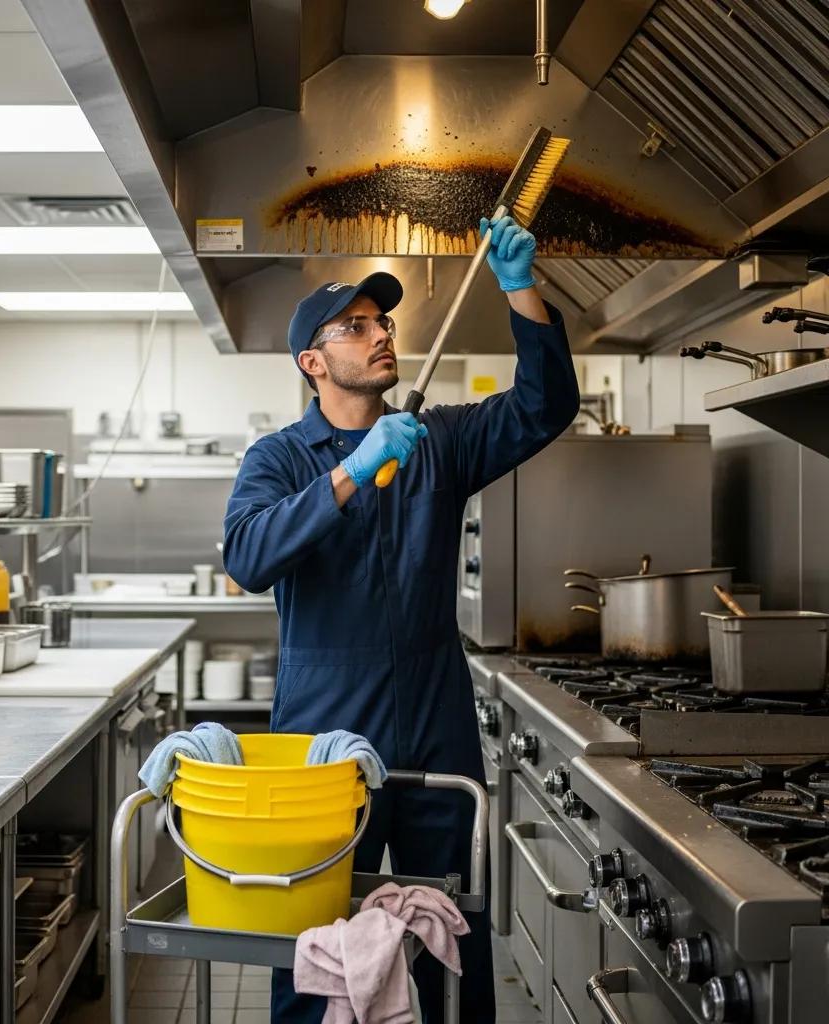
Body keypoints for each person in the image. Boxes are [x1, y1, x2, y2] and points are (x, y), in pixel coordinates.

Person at [223, 215, 580, 1023]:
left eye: (382, 320)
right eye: (355, 326)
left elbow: (545, 406)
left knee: (455, 934)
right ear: (313, 363)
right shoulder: (277, 460)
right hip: (324, 732)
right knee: (313, 941)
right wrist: (352, 469)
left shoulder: (439, 441)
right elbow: (247, 556)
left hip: (435, 717)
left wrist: (522, 288)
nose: (379, 333)